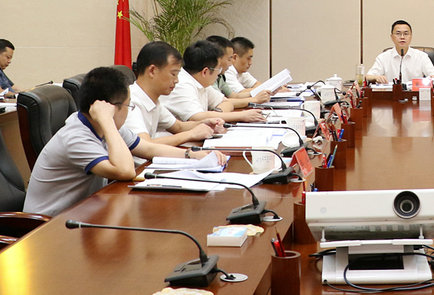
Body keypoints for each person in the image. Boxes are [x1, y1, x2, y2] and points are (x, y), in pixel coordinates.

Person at [23, 66, 227, 216]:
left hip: (83, 213)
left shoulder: (107, 129)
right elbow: (125, 171)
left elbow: (149, 149)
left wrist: (193, 155)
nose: (129, 112)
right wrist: (107, 120)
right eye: (128, 106)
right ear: (109, 108)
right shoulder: (77, 137)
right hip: (48, 228)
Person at [123, 41, 223, 147]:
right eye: (173, 74)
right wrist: (191, 134)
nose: (176, 80)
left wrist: (204, 123)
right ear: (152, 71)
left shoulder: (153, 100)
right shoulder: (130, 102)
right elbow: (145, 145)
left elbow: (178, 126)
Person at [163, 40, 264, 124]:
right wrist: (242, 115)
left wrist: (216, 115)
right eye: (218, 69)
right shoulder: (182, 84)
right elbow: (197, 117)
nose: (219, 73)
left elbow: (226, 102)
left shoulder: (201, 82)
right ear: (205, 72)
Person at [365, 20, 434, 83]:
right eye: (398, 34)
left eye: (406, 34)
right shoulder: (383, 57)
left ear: (411, 36)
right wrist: (376, 77)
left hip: (415, 94)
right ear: (392, 37)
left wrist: (433, 78)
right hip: (391, 94)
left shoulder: (421, 56)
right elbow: (368, 76)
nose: (402, 37)